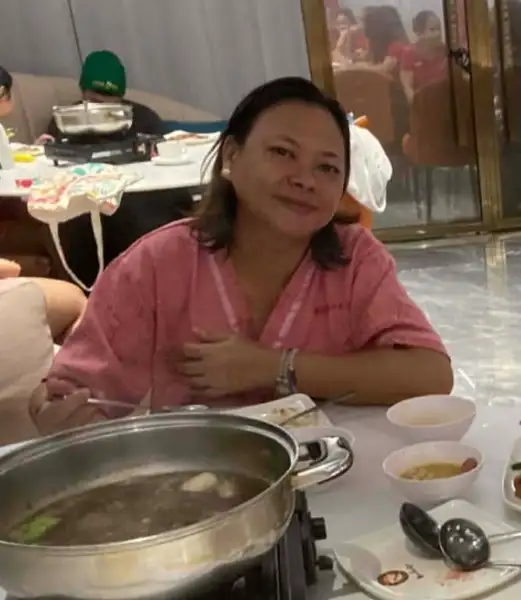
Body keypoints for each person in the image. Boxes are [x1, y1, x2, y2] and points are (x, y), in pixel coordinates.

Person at [29, 77, 453, 436]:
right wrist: (54, 412)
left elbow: (431, 374)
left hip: (334, 472)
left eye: (327, 168)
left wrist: (274, 368)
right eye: (282, 153)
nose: (305, 180)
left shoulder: (354, 258)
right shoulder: (158, 264)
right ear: (231, 157)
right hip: (206, 482)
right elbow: (66, 393)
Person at [43, 50, 164, 140]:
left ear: (121, 98)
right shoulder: (65, 120)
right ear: (83, 92)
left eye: (109, 101)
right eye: (95, 100)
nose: (101, 107)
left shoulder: (144, 120)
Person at [400, 11, 448, 102]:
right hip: (421, 103)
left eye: (439, 29)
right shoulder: (409, 53)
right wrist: (417, 105)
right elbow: (407, 87)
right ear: (419, 32)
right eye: (432, 29)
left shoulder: (446, 51)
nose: (438, 33)